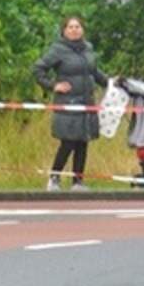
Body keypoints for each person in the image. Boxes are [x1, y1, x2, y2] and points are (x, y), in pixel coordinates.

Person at [36, 16, 104, 189]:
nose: (74, 30)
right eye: (71, 27)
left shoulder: (88, 48)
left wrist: (112, 83)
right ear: (64, 31)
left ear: (83, 29)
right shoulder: (58, 50)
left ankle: (78, 182)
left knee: (83, 142)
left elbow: (95, 73)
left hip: (87, 102)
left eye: (77, 26)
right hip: (68, 103)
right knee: (68, 142)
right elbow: (38, 69)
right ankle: (54, 178)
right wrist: (53, 85)